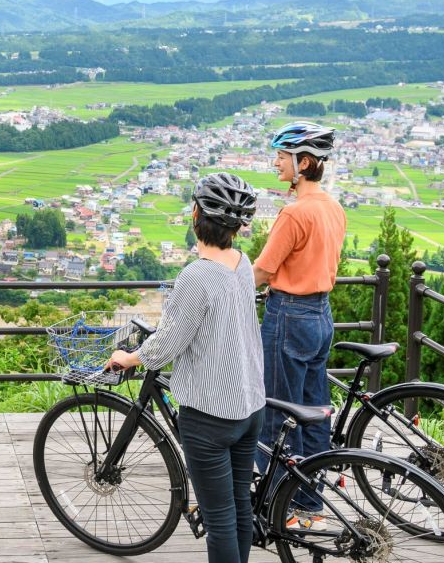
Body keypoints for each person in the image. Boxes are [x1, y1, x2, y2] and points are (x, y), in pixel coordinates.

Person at [108, 173, 264, 563]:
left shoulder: (195, 277)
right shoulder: (241, 265)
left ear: (195, 214)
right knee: (240, 505)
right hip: (250, 405)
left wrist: (130, 357)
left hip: (210, 416)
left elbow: (168, 342)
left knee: (220, 518)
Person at [252, 122, 346, 528]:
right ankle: (309, 502)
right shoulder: (333, 207)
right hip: (321, 315)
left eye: (282, 156)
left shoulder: (294, 213)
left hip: (288, 315)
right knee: (313, 412)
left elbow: (262, 270)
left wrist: (221, 287)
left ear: (303, 163)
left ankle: (274, 504)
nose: (276, 162)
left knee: (275, 411)